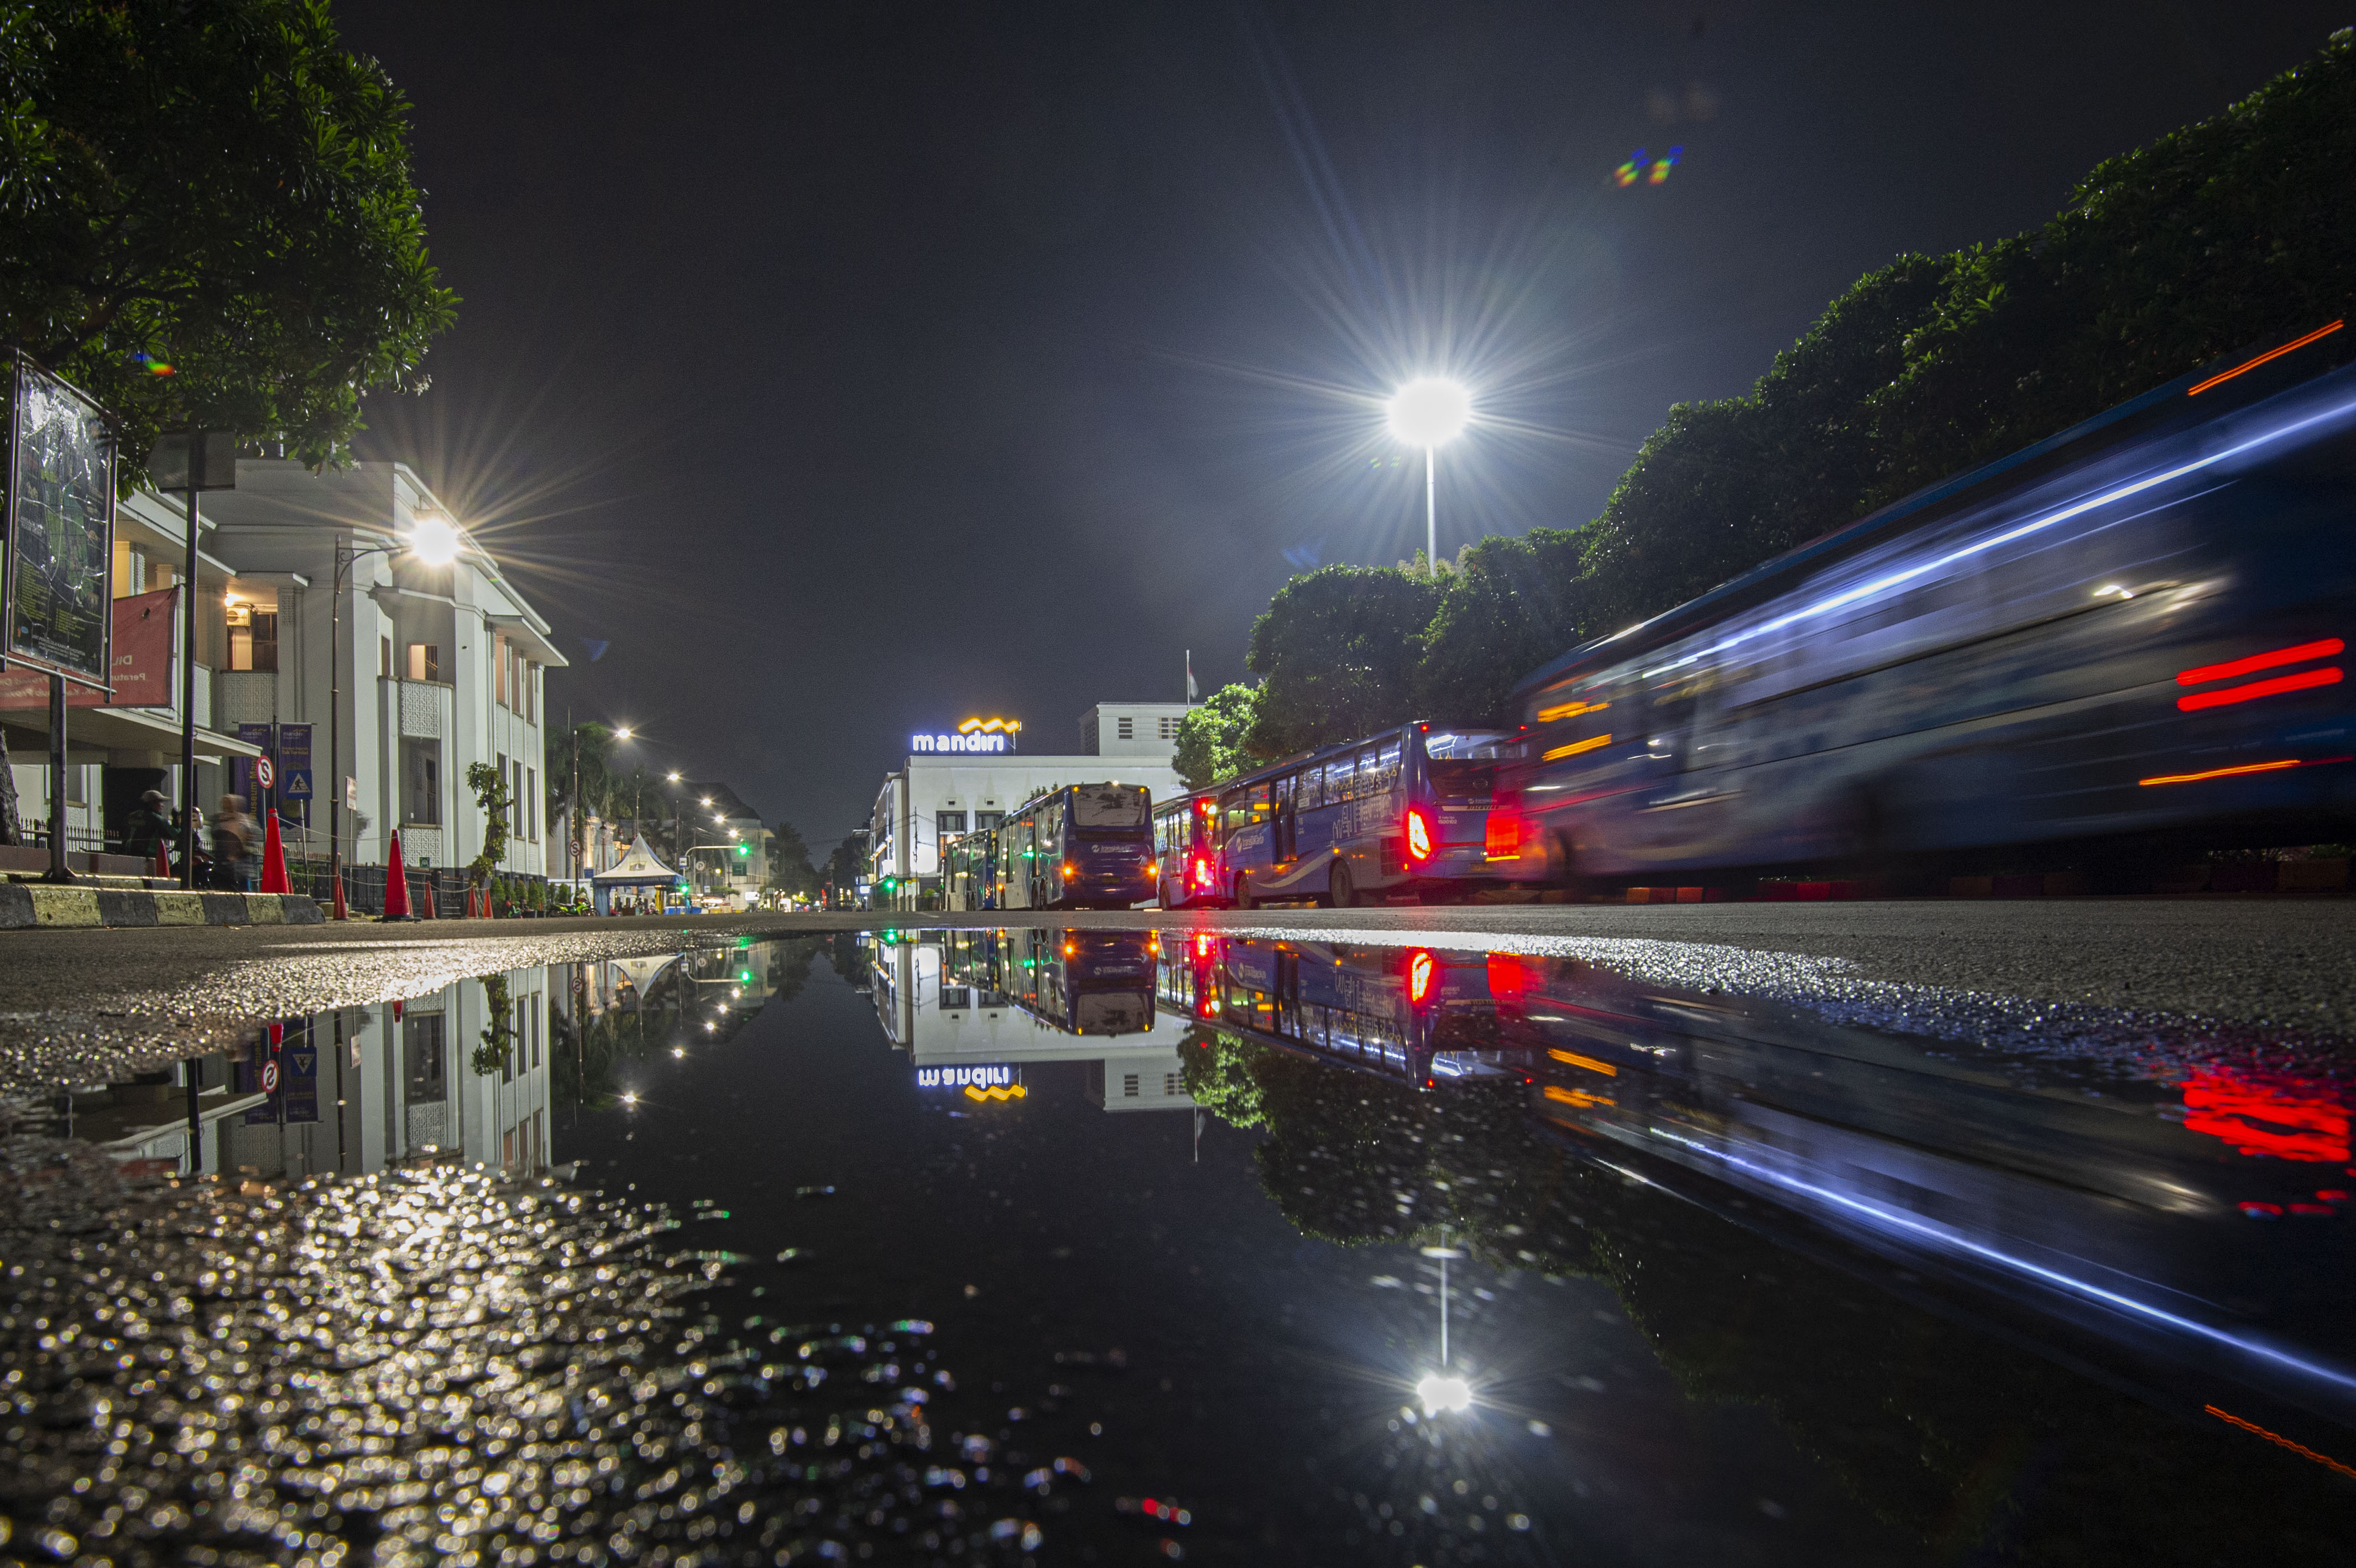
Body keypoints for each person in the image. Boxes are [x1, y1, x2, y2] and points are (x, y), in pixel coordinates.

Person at [210, 793, 253, 891]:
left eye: (229, 803)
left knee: (243, 890)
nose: (226, 806)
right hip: (222, 864)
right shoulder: (218, 819)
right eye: (225, 803)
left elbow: (248, 839)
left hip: (240, 865)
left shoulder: (243, 820)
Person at [123, 789, 173, 867]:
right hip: (150, 861)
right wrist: (177, 823)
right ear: (153, 803)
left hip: (128, 858)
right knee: (170, 866)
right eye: (160, 802)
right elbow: (174, 834)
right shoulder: (156, 819)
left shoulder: (130, 817)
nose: (162, 805)